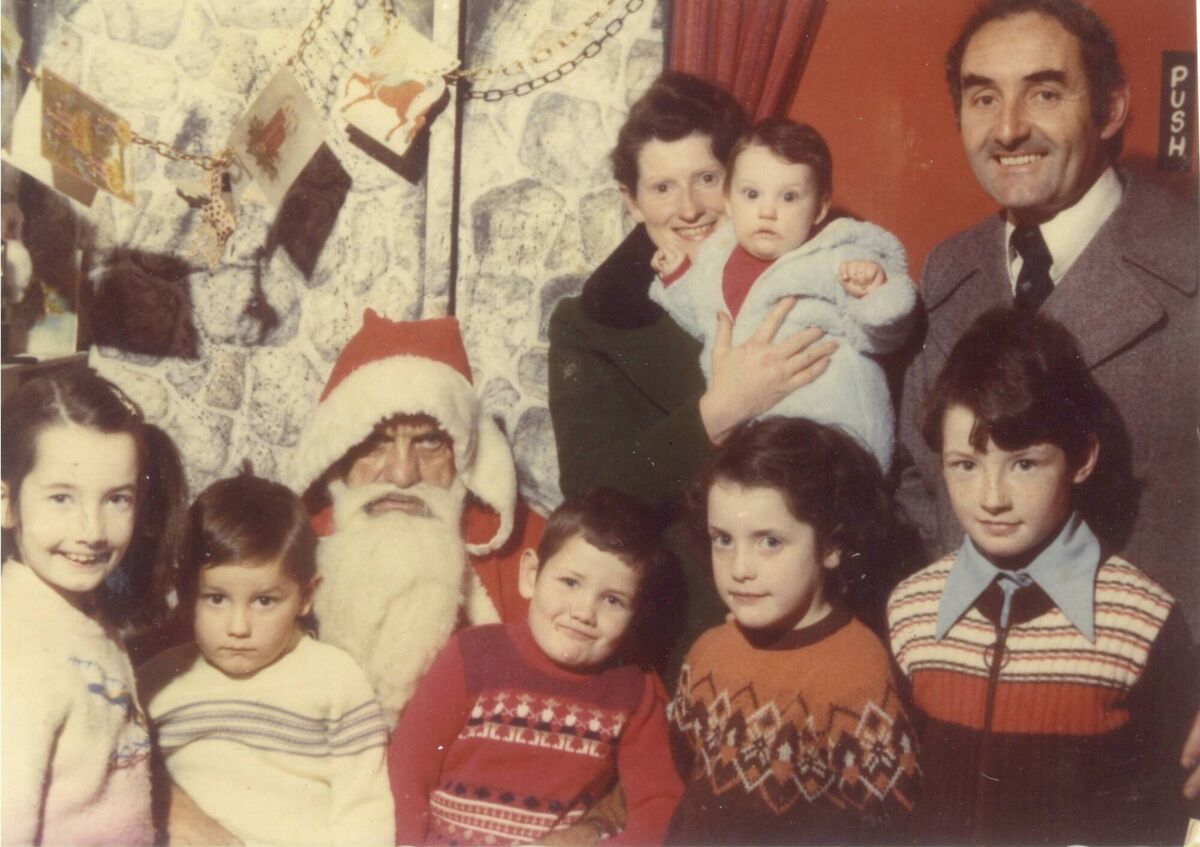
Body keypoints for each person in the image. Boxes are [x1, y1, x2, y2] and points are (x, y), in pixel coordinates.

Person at [896, 0, 1198, 639]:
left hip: (1157, 699)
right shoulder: (948, 270)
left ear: (1111, 109)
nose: (1007, 130)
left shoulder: (1189, 260)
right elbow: (919, 485)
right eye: (983, 99)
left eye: (1044, 93)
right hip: (975, 683)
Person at [549, 72, 838, 668]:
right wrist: (719, 410)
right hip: (683, 626)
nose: (689, 210)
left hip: (820, 611)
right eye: (661, 188)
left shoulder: (816, 270)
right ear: (631, 201)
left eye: (707, 179)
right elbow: (592, 493)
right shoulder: (591, 324)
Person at [888, 309, 1199, 843]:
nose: (992, 498)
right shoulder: (910, 610)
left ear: (1081, 459)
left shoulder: (1143, 620)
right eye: (965, 464)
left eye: (1024, 464)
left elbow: (1169, 809)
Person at [666, 417, 920, 845]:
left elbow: (885, 826)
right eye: (723, 539)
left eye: (769, 541)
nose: (740, 569)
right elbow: (683, 770)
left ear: (831, 546)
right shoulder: (707, 652)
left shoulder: (858, 673)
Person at [287, 309, 544, 725]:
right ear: (337, 450)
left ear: (463, 451)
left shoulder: (529, 552)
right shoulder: (287, 544)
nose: (403, 475)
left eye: (429, 442)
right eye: (375, 443)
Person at [388, 487, 683, 845]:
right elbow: (408, 768)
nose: (584, 612)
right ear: (531, 575)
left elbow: (660, 804)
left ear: (635, 614)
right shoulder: (472, 654)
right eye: (570, 582)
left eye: (612, 600)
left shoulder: (633, 690)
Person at [138, 472, 394, 846]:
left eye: (265, 601)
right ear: (185, 591)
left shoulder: (336, 679)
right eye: (216, 598)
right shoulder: (158, 680)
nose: (238, 627)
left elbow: (364, 808)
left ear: (306, 596)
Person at [649, 118, 917, 469]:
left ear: (819, 207)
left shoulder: (833, 257)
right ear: (728, 200)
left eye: (789, 197)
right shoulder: (715, 260)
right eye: (751, 194)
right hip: (750, 432)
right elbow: (702, 320)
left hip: (830, 418)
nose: (767, 211)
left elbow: (884, 334)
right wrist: (678, 279)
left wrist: (874, 293)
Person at [1, 370, 186, 845]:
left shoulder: (77, 608)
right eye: (62, 497)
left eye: (116, 499)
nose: (92, 530)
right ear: (6, 503)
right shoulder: (17, 655)